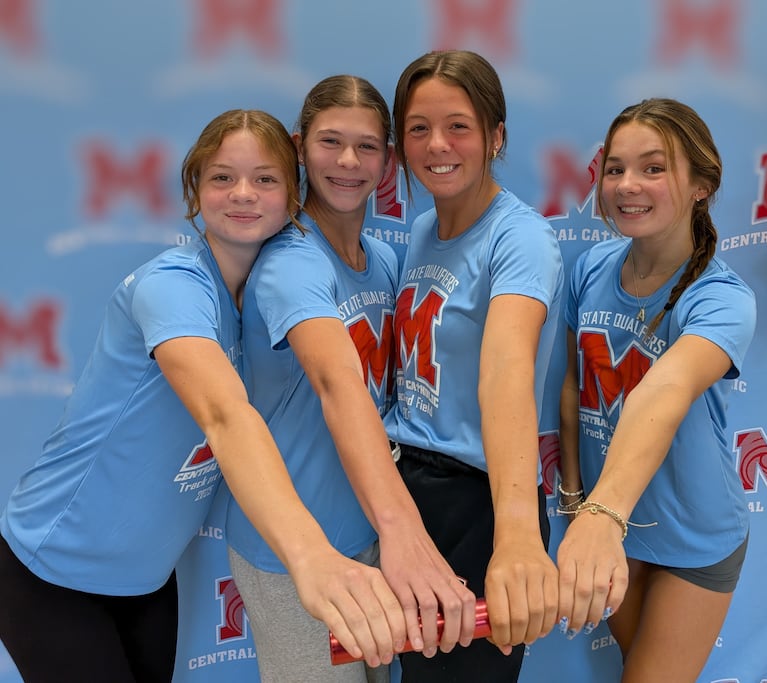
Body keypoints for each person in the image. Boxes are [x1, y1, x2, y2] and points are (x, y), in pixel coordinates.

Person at [0, 109, 407, 683]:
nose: (243, 194)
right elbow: (225, 415)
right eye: (222, 177)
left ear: (293, 194)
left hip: (146, 579)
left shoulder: (261, 292)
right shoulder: (173, 287)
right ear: (194, 189)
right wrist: (310, 557)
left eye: (266, 179)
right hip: (56, 570)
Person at [225, 76, 474, 683]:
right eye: (330, 142)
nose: (347, 162)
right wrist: (405, 531)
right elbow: (338, 384)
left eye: (366, 147)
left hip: (371, 537)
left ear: (387, 160)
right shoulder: (290, 264)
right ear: (298, 145)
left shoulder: (383, 260)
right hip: (298, 551)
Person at [556, 97, 757, 682]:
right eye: (615, 168)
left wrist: (601, 515)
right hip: (611, 529)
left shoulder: (722, 299)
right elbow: (573, 388)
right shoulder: (591, 267)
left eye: (653, 167)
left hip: (691, 537)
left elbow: (662, 393)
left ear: (701, 184)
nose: (626, 185)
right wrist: (576, 502)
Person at [385, 50, 564, 682]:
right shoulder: (422, 228)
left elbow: (507, 373)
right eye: (418, 128)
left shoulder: (520, 239)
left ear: (496, 136)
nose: (438, 145)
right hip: (411, 501)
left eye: (458, 125)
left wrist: (516, 538)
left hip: (483, 505)